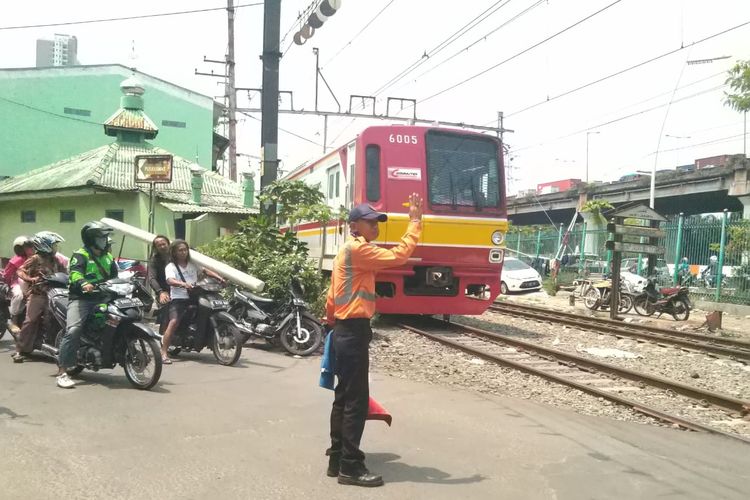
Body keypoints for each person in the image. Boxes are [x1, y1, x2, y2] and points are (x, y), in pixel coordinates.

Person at [324, 193, 423, 488]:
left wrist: (332, 322)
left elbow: (331, 297)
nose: (375, 226)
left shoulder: (348, 252)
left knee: (343, 398)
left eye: (377, 221)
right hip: (352, 333)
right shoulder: (360, 251)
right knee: (356, 401)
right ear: (355, 225)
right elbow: (399, 256)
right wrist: (415, 222)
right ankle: (351, 468)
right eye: (369, 222)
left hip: (345, 330)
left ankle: (337, 458)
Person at [56, 221, 118, 389]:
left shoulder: (108, 256)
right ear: (91, 239)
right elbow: (75, 272)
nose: (105, 240)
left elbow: (115, 276)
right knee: (74, 330)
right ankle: (62, 372)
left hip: (104, 297)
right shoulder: (80, 254)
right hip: (82, 299)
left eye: (106, 237)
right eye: (101, 237)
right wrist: (83, 283)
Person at [161, 239, 224, 364]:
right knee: (173, 322)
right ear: (174, 252)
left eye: (185, 250)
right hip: (179, 299)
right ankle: (163, 352)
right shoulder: (171, 266)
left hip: (195, 296)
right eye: (180, 250)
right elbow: (170, 280)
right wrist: (183, 284)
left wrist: (220, 278)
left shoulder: (193, 264)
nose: (183, 252)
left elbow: (205, 271)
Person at [13, 232, 66, 362]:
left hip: (55, 295)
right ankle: (19, 350)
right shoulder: (35, 258)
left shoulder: (56, 260)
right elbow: (20, 270)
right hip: (38, 294)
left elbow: (65, 273)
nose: (55, 248)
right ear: (44, 245)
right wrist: (31, 278)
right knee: (30, 321)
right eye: (53, 245)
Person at [3, 236, 34, 334]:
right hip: (17, 283)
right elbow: (6, 275)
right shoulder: (15, 260)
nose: (29, 249)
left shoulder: (36, 258)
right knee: (19, 295)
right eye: (25, 247)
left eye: (30, 246)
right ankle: (14, 320)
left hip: (34, 282)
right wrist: (7, 287)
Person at [147, 235, 171, 332]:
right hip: (164, 291)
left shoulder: (176, 257)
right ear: (155, 248)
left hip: (180, 289)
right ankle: (164, 336)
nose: (162, 246)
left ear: (168, 244)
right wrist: (160, 292)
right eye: (159, 245)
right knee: (167, 309)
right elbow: (152, 279)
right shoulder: (154, 261)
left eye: (163, 244)